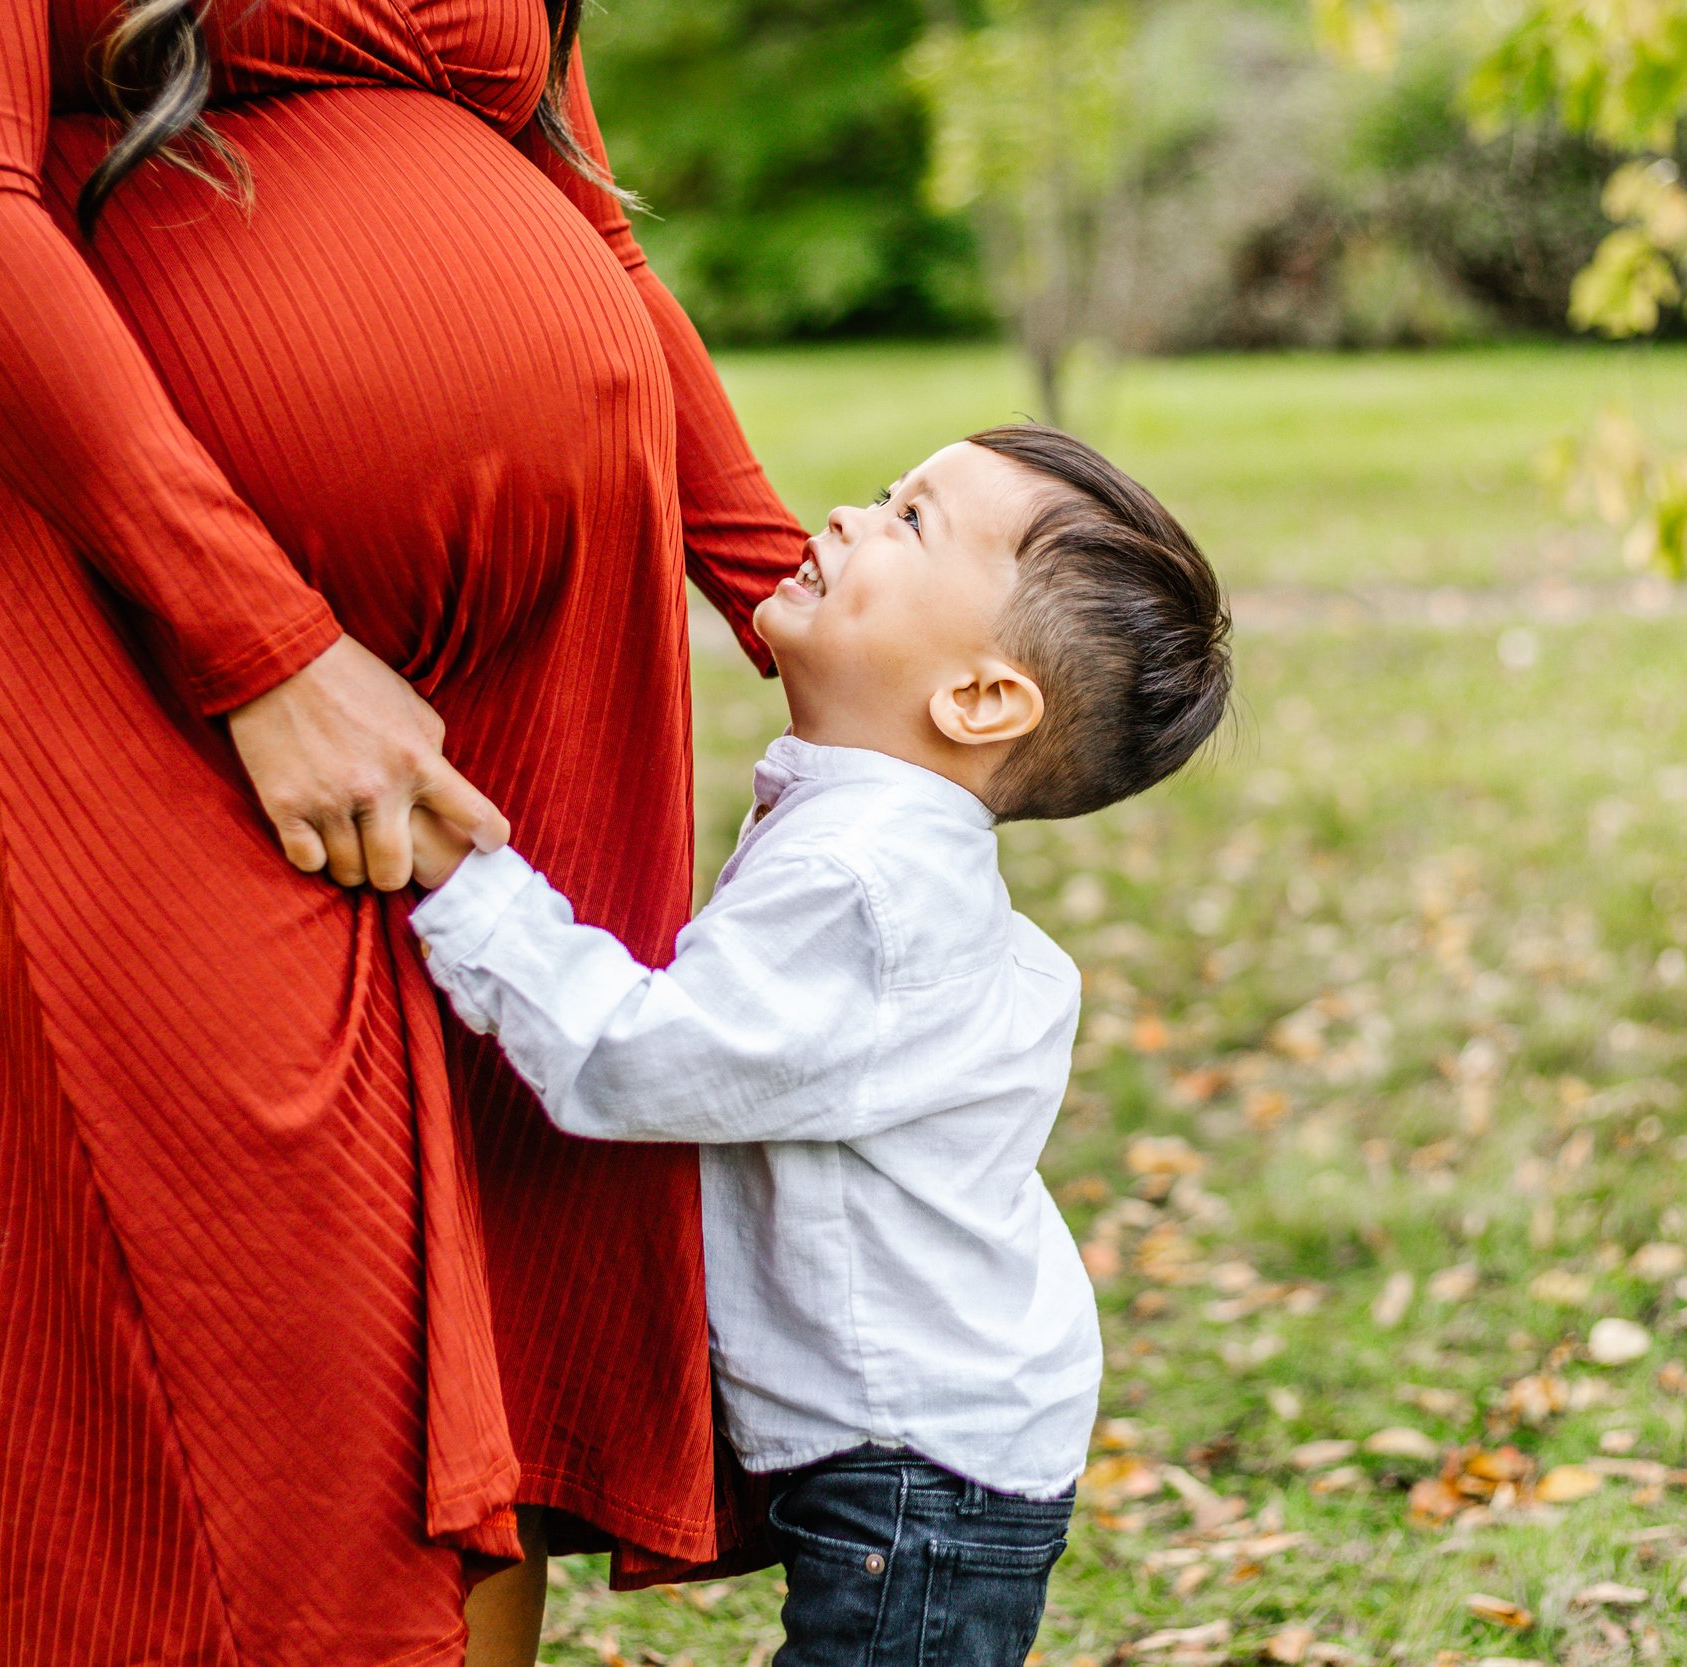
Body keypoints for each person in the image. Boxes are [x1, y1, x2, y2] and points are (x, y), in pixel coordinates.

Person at [0, 2, 807, 1661]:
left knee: (495, 1294)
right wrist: (260, 645)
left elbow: (574, 199)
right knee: (273, 1330)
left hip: (553, 664)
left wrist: (797, 606)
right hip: (151, 642)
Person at [411, 425, 1234, 1667]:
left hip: (922, 1469)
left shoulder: (866, 882)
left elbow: (630, 1058)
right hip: (938, 1444)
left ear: (977, 699)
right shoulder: (872, 836)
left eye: (908, 523)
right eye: (883, 492)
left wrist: (463, 881)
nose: (845, 516)